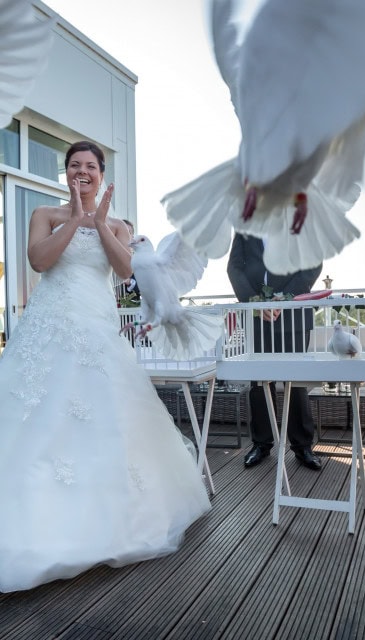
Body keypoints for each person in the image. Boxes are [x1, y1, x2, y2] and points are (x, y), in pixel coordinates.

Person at [0, 140, 211, 593]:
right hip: (50, 325)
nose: (82, 171)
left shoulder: (118, 223)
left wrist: (99, 225)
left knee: (108, 419)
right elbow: (39, 260)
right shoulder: (46, 216)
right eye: (74, 165)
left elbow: (124, 272)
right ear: (66, 173)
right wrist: (75, 221)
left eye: (90, 166)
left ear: (100, 173)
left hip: (97, 328)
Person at [227, 233, 323, 470]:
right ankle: (261, 443)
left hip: (294, 316)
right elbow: (234, 268)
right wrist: (255, 302)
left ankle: (302, 446)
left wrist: (283, 299)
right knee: (259, 383)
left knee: (296, 381)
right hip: (257, 318)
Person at [121, 218, 141, 303]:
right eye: (122, 232)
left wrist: (131, 283)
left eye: (128, 232)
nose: (125, 235)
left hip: (130, 310)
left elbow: (143, 287)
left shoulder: (138, 258)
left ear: (132, 237)